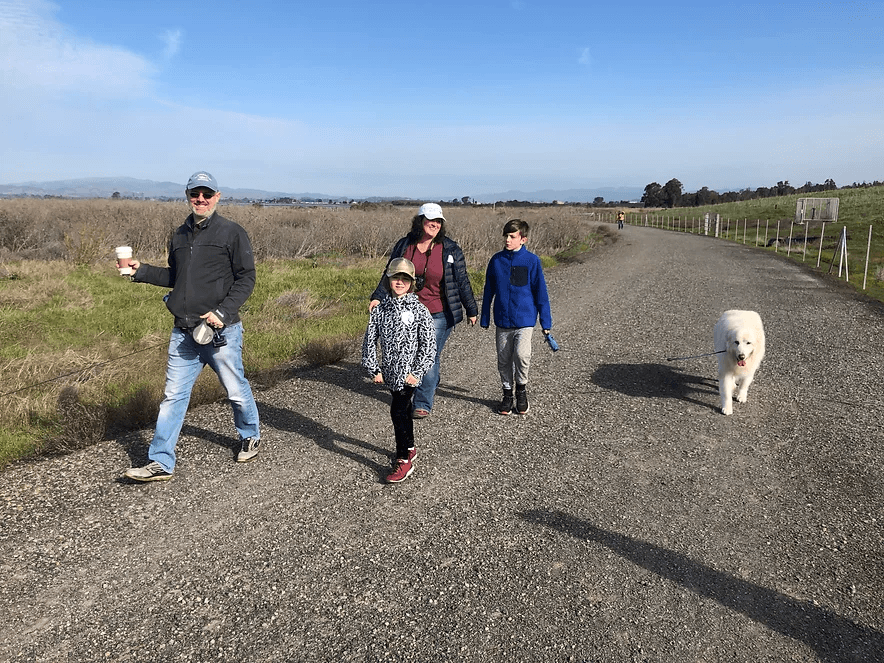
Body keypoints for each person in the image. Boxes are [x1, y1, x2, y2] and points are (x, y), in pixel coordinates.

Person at [121, 171, 261, 482]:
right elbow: (177, 277)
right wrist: (140, 270)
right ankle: (160, 462)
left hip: (219, 331)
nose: (201, 199)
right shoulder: (179, 235)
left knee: (235, 390)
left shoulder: (232, 233)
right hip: (183, 330)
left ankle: (250, 434)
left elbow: (246, 278)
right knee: (173, 397)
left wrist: (222, 313)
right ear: (187, 196)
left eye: (206, 194)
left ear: (217, 196)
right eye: (195, 194)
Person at [369, 203, 478, 419]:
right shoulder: (405, 245)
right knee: (409, 353)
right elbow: (390, 273)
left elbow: (462, 281)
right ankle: (421, 384)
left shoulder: (450, 249)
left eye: (438, 221)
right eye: (430, 220)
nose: (435, 225)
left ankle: (422, 402)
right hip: (407, 311)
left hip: (438, 311)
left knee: (428, 355)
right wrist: (377, 297)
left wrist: (471, 309)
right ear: (420, 222)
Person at [362, 258, 436, 483]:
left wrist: (417, 371)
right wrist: (374, 369)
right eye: (396, 277)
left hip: (409, 375)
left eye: (405, 278)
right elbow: (369, 341)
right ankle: (410, 445)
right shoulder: (380, 310)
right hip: (390, 373)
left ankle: (403, 459)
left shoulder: (419, 310)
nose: (400, 282)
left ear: (412, 282)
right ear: (389, 279)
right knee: (403, 411)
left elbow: (429, 345)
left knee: (398, 411)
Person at [480, 219, 553, 415]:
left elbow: (541, 294)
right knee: (503, 359)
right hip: (503, 320)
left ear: (523, 239)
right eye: (506, 236)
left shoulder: (532, 261)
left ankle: (521, 390)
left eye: (512, 236)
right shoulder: (496, 260)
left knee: (522, 355)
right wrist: (485, 317)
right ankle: (507, 394)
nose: (507, 239)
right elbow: (488, 291)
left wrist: (546, 323)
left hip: (525, 320)